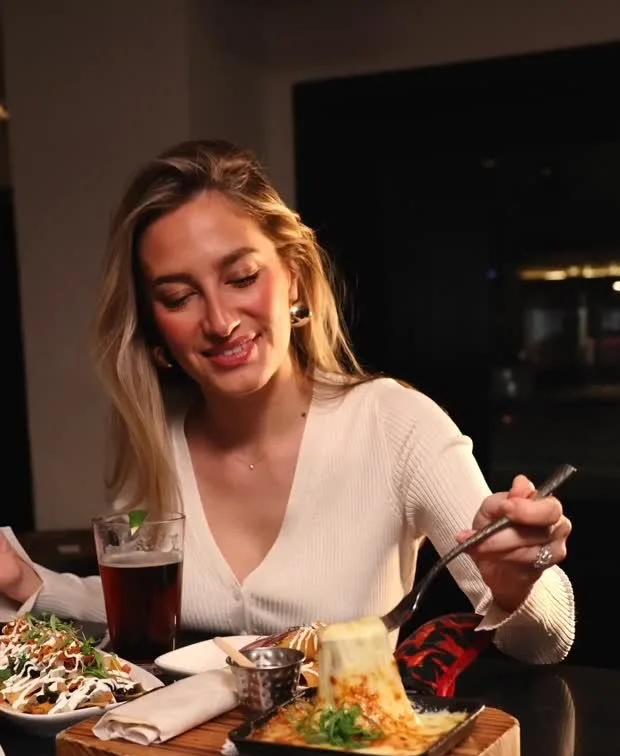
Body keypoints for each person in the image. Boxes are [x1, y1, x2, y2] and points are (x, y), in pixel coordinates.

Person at [0, 139, 574, 664]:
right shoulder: (153, 441)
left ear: (294, 276)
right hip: (190, 746)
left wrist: (517, 581)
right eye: (178, 297)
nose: (220, 321)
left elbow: (546, 642)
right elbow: (144, 605)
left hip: (350, 743)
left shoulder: (395, 425)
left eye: (242, 277)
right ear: (153, 325)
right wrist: (27, 582)